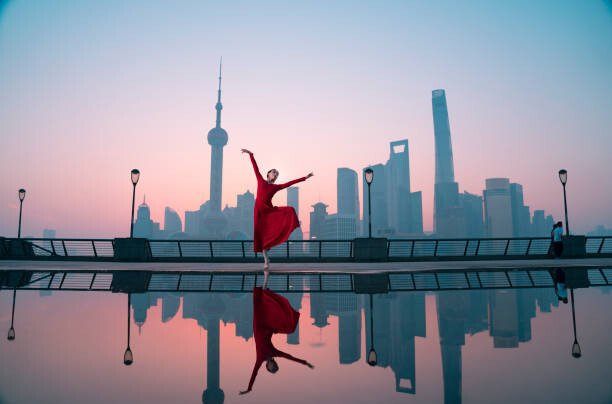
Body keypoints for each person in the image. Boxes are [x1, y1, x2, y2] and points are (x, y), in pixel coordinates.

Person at [241, 149, 313, 287]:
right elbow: (255, 167)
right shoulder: (260, 180)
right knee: (260, 235)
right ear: (268, 174)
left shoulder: (276, 187)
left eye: (277, 174)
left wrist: (305, 177)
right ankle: (266, 260)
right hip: (258, 212)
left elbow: (289, 183)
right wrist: (250, 154)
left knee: (289, 210)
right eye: (274, 172)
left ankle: (267, 260)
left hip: (268, 212)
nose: (275, 175)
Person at [240, 287, 314, 395]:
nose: (274, 366)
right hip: (268, 328)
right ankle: (266, 278)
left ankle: (264, 284)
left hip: (259, 327)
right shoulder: (274, 353)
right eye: (276, 367)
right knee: (289, 328)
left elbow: (254, 373)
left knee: (261, 305)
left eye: (272, 368)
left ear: (268, 367)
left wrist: (249, 388)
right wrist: (304, 363)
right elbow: (290, 357)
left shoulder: (260, 359)